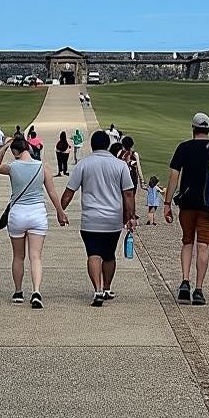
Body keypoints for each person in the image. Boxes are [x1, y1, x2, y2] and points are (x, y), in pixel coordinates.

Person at [164, 112, 209, 306]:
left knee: (187, 242)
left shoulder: (184, 148)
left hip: (187, 204)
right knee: (204, 246)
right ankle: (199, 289)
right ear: (208, 130)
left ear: (193, 129)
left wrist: (167, 203)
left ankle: (185, 282)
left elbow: (173, 177)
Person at [61, 130, 136, 306]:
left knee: (93, 253)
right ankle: (107, 287)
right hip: (113, 219)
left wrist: (60, 210)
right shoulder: (120, 165)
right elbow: (128, 194)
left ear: (92, 145)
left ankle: (98, 290)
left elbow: (69, 192)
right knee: (109, 255)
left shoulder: (84, 164)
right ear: (107, 146)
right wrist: (131, 216)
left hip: (90, 218)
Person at [0, 136, 69, 308]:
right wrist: (60, 212)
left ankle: (19, 291)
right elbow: (52, 193)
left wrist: (4, 146)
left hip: (18, 214)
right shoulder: (42, 167)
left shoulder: (13, 167)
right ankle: (36, 291)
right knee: (35, 257)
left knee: (18, 256)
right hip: (37, 213)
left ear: (15, 152)